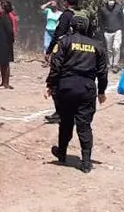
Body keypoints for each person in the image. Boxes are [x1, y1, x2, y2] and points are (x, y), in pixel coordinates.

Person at [44, 14, 108, 174]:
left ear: (71, 27)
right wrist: (101, 91)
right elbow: (103, 72)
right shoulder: (97, 45)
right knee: (84, 125)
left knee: (65, 122)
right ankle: (86, 162)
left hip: (66, 87)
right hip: (87, 88)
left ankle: (62, 153)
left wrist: (50, 84)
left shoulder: (64, 42)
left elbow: (56, 66)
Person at [97, 0, 124, 73]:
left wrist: (122, 30)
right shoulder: (102, 8)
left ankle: (115, 64)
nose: (111, 1)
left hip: (117, 30)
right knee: (109, 49)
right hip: (107, 32)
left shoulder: (119, 7)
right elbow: (100, 21)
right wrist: (102, 31)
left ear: (115, 0)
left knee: (116, 47)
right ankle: (110, 64)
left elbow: (122, 19)